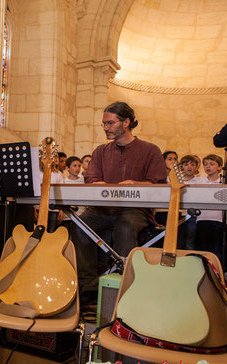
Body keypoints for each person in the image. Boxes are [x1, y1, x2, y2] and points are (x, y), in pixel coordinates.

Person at [72, 101, 167, 304]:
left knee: (125, 225)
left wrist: (136, 184)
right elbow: (91, 179)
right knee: (81, 223)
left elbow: (158, 182)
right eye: (104, 124)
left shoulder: (150, 150)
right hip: (102, 209)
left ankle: (125, 286)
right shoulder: (100, 152)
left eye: (110, 123)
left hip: (135, 210)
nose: (106, 128)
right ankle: (87, 288)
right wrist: (100, 184)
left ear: (126, 122)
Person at [195, 154, 224, 262]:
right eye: (205, 164)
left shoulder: (224, 182)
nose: (208, 166)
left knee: (217, 249)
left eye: (212, 164)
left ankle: (217, 272)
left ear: (220, 167)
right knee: (202, 248)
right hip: (202, 219)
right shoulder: (199, 181)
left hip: (218, 220)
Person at [177, 155, 199, 250]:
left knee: (190, 242)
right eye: (186, 164)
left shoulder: (199, 180)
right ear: (181, 167)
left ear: (196, 167)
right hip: (179, 214)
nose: (189, 167)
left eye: (192, 164)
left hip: (192, 215)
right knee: (178, 241)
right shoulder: (177, 180)